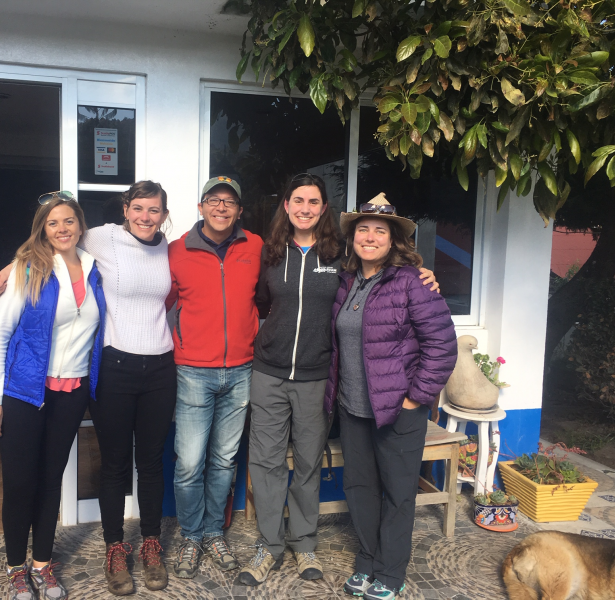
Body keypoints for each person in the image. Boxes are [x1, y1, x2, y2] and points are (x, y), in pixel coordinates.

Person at [239, 175, 439, 586]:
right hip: (270, 372)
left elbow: (386, 271)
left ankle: (305, 542)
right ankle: (269, 545)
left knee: (310, 463)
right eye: (298, 200)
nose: (306, 208)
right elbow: (261, 302)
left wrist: (425, 273)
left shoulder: (340, 255)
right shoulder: (270, 252)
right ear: (286, 205)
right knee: (267, 462)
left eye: (314, 201)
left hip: (317, 378)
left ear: (324, 208)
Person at [0, 181, 176, 596]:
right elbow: (49, 237)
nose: (146, 216)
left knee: (140, 464)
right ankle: (100, 552)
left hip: (134, 373)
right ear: (125, 209)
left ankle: (144, 545)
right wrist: (13, 265)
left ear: (165, 214)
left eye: (155, 210)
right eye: (138, 208)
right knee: (93, 467)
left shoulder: (158, 251)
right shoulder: (97, 239)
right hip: (83, 375)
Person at [324, 193, 457, 600]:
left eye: (379, 231)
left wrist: (415, 399)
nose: (369, 236)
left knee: (399, 493)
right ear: (352, 238)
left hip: (399, 411)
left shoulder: (413, 282)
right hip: (353, 409)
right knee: (359, 489)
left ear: (393, 239)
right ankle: (366, 561)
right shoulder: (347, 281)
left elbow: (442, 346)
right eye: (362, 229)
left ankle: (391, 573)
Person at [0, 192, 106, 600]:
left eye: (69, 221)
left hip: (70, 394)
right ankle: (17, 567)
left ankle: (43, 564)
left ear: (80, 225)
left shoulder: (93, 268)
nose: (62, 229)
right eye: (53, 223)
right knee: (20, 483)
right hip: (24, 392)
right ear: (42, 228)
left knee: (51, 480)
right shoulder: (27, 269)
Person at [165, 176, 263, 578]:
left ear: (239, 210)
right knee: (189, 462)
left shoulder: (255, 246)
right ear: (201, 207)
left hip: (242, 369)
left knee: (223, 460)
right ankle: (190, 536)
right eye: (213, 200)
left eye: (229, 202)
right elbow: (155, 296)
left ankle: (212, 532)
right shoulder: (175, 251)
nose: (221, 207)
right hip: (192, 371)